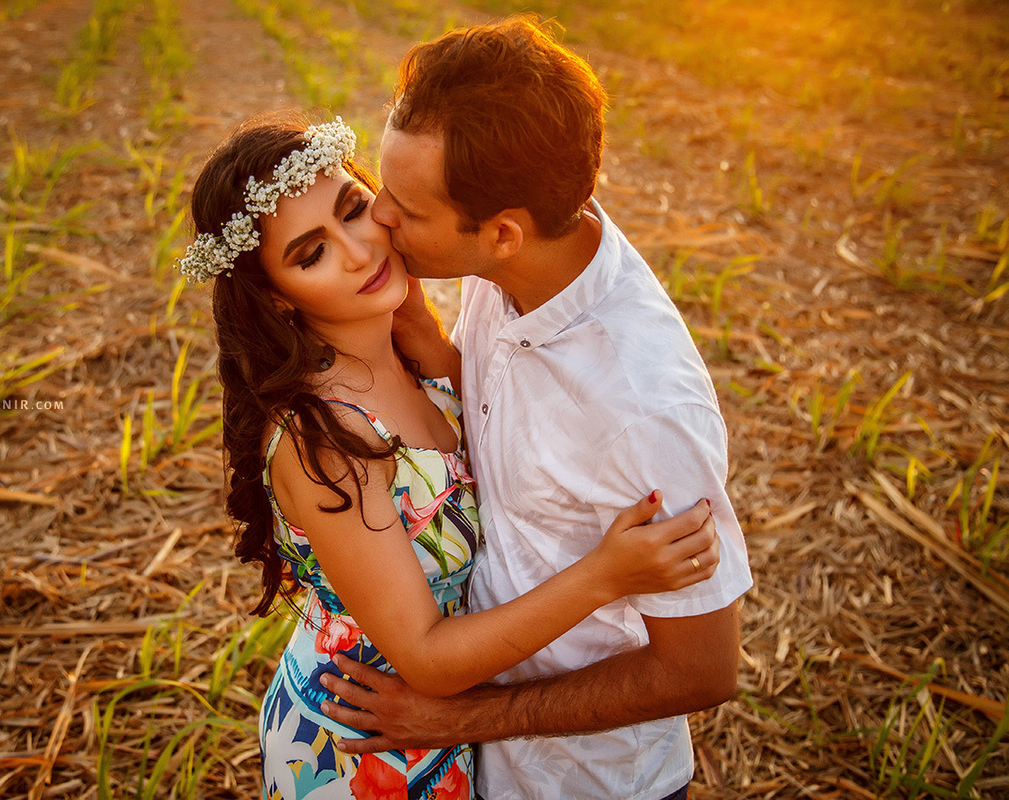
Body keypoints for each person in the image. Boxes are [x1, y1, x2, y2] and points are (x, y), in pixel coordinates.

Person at [179, 113, 721, 799]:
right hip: (366, 739)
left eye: (353, 209)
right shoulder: (328, 440)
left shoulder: (415, 350)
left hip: (446, 732)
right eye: (311, 254)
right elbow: (428, 658)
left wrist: (438, 352)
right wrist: (604, 576)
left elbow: (500, 432)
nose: (357, 250)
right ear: (277, 301)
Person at [317, 16, 754, 800]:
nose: (380, 216)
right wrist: (423, 341)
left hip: (584, 782)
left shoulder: (642, 407)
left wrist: (457, 719)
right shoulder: (517, 259)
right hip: (478, 760)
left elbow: (701, 670)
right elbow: (510, 422)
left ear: (502, 234)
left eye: (407, 210)